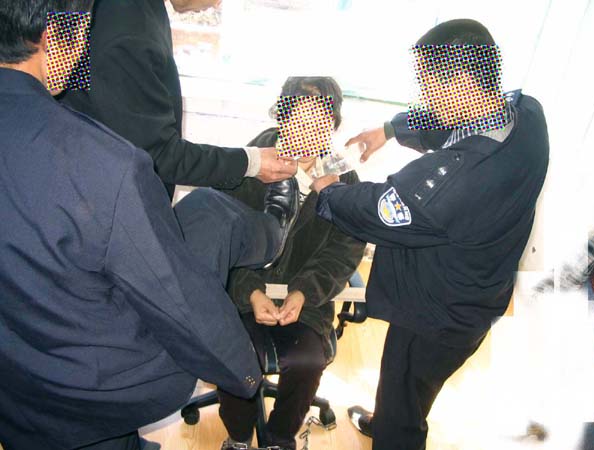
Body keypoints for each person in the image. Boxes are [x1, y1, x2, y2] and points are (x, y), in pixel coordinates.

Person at [0, 1, 298, 449]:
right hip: (81, 384)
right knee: (211, 216)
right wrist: (244, 372)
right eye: (82, 35)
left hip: (17, 367)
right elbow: (173, 295)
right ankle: (274, 234)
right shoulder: (109, 164)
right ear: (53, 36)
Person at [311, 19, 549, 450]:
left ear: (461, 81)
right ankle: (391, 415)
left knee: (403, 402)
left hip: (439, 313)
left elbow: (383, 210)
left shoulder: (465, 174)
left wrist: (328, 189)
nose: (423, 95)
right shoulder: (525, 113)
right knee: (413, 386)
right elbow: (450, 123)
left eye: (427, 84)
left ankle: (393, 428)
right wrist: (389, 130)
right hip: (480, 289)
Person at [217, 77, 366, 450]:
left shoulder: (343, 178)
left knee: (307, 360)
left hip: (306, 299)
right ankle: (238, 436)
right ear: (282, 117)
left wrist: (303, 292)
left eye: (320, 123)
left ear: (333, 125)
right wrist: (251, 292)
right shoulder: (250, 165)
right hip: (241, 293)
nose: (308, 132)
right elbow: (224, 239)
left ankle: (280, 438)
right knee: (233, 353)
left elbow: (344, 251)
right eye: (299, 120)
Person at [60, 0, 297, 200]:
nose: (217, 4)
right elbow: (157, 155)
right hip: (91, 194)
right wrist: (252, 163)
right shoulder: (130, 28)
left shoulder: (129, 10)